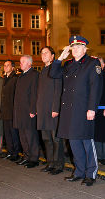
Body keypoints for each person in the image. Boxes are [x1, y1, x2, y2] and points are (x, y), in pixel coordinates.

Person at [50, 35, 103, 186]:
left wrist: (92, 108)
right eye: (73, 47)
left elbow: (95, 88)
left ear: (85, 49)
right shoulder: (68, 64)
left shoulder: (92, 63)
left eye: (79, 47)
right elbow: (53, 74)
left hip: (84, 109)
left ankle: (91, 173)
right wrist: (60, 58)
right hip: (69, 111)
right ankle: (79, 171)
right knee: (74, 143)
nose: (75, 50)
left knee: (86, 141)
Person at [37, 46, 64, 175]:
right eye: (42, 53)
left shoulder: (56, 70)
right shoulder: (42, 71)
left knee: (56, 139)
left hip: (52, 110)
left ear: (53, 56)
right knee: (46, 139)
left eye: (46, 53)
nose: (43, 55)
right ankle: (50, 163)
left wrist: (55, 108)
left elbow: (58, 90)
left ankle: (58, 165)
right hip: (42, 111)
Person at [13, 55, 39, 168]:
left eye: (22, 62)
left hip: (29, 111)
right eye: (20, 62)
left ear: (29, 63)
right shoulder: (21, 76)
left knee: (31, 136)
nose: (20, 64)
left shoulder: (34, 75)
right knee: (23, 136)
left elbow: (35, 93)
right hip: (20, 111)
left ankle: (34, 158)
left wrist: (33, 109)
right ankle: (26, 156)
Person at [0, 60, 21, 161]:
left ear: (12, 67)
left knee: (13, 133)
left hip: (12, 110)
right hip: (5, 110)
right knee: (7, 133)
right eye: (4, 65)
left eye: (8, 65)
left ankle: (15, 153)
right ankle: (9, 151)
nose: (6, 67)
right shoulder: (4, 78)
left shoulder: (15, 78)